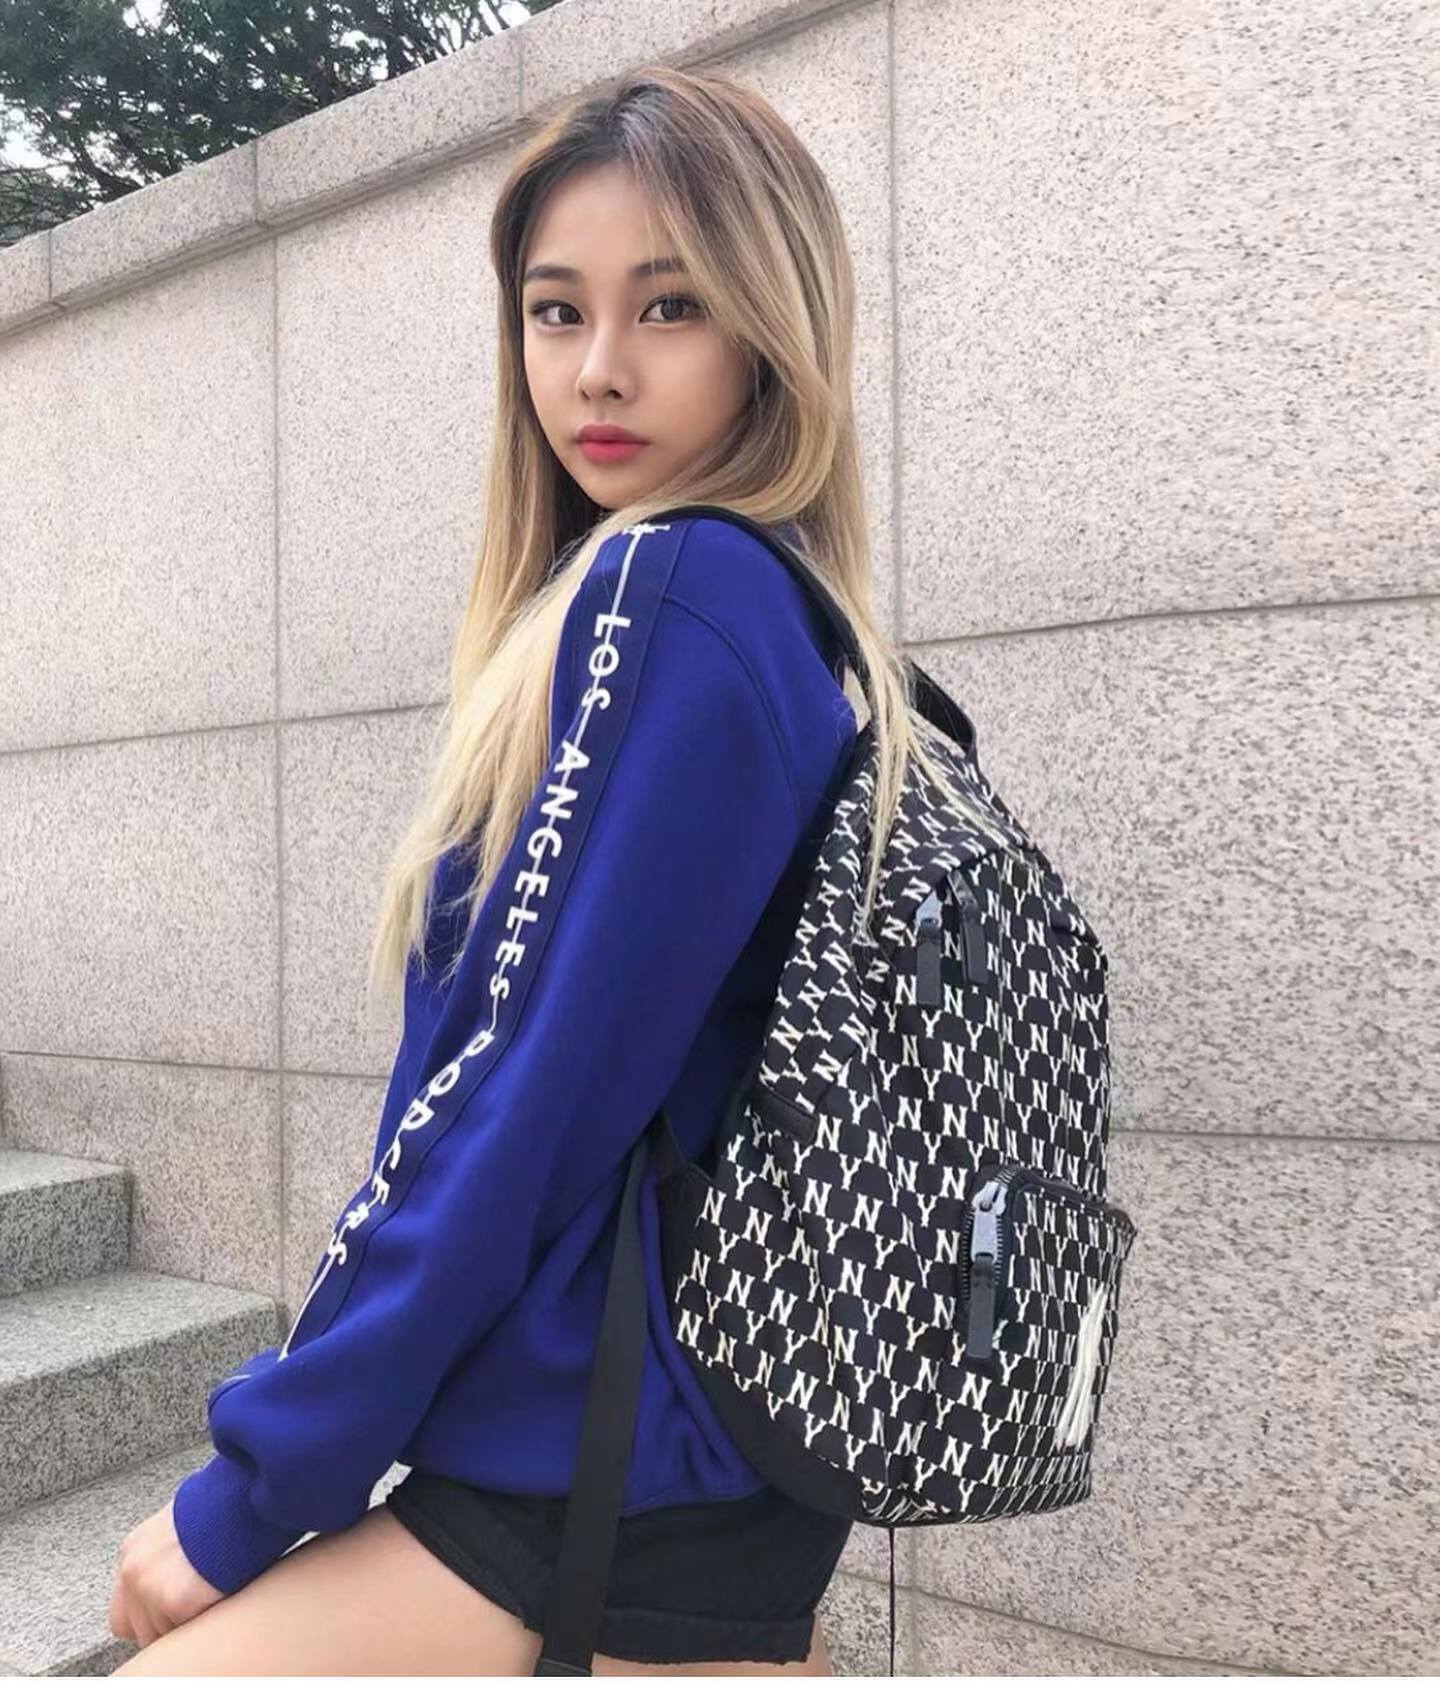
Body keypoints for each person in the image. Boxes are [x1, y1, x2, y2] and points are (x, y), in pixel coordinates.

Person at [108, 61, 933, 1677]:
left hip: (596, 1473)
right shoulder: (780, 618)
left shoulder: (675, 590)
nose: (599, 366)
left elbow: (511, 1098)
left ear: (771, 327)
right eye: (557, 311)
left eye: (671, 306)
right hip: (705, 1462)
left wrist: (254, 1484)